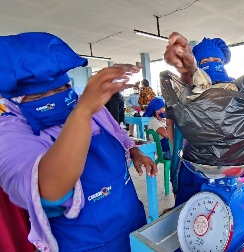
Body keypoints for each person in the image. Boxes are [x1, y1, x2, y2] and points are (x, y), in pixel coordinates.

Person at [0, 32, 157, 252]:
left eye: (63, 88)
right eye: (41, 95)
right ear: (15, 98)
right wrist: (82, 112)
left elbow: (119, 134)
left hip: (131, 221)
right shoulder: (10, 131)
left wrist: (135, 153)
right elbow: (48, 190)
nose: (60, 97)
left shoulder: (88, 107)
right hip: (85, 243)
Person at [163, 32, 234, 207]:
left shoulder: (236, 91)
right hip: (191, 168)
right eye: (205, 61)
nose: (212, 64)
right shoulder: (183, 94)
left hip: (224, 169)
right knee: (190, 210)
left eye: (216, 61)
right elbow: (171, 129)